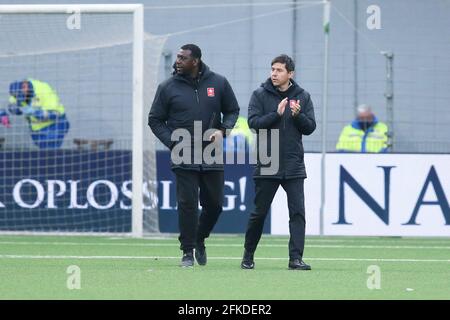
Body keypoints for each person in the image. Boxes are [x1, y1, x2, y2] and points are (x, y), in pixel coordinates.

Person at [148, 44, 239, 267]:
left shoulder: (219, 82)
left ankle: (199, 238)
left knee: (215, 204)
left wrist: (223, 130)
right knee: (187, 203)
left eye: (182, 58)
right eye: (177, 57)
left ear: (195, 61)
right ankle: (187, 252)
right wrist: (171, 141)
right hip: (183, 154)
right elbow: (155, 120)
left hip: (211, 153)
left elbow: (232, 110)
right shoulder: (167, 87)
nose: (177, 61)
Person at [241, 54, 316, 270]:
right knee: (259, 212)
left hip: (293, 164)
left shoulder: (303, 96)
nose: (274, 73)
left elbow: (310, 127)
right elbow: (253, 124)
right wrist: (276, 114)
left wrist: (298, 116)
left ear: (290, 74)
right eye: (272, 69)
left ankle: (295, 259)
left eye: (279, 70)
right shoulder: (259, 95)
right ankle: (248, 255)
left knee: (297, 212)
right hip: (268, 162)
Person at [0, 79, 70, 149]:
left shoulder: (43, 89)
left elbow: (56, 113)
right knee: (43, 155)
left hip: (54, 126)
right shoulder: (18, 90)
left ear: (25, 86)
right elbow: (12, 105)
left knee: (49, 153)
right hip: (37, 130)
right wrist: (3, 114)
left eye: (23, 96)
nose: (22, 99)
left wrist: (34, 112)